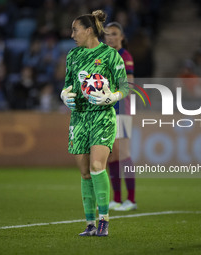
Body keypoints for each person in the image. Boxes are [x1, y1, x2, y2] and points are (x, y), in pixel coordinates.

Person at [60, 10, 128, 237]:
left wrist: (112, 97)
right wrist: (64, 95)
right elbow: (68, 84)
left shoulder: (110, 56)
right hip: (79, 117)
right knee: (85, 173)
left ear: (88, 30)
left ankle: (103, 221)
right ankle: (89, 224)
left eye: (75, 30)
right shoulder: (73, 56)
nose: (72, 35)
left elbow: (125, 87)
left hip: (102, 117)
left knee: (97, 167)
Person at [104, 22, 137, 211]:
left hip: (121, 109)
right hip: (108, 110)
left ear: (122, 37)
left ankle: (131, 200)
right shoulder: (104, 57)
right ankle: (116, 199)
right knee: (112, 155)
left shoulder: (125, 57)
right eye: (107, 34)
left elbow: (129, 87)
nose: (110, 37)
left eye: (114, 34)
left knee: (124, 153)